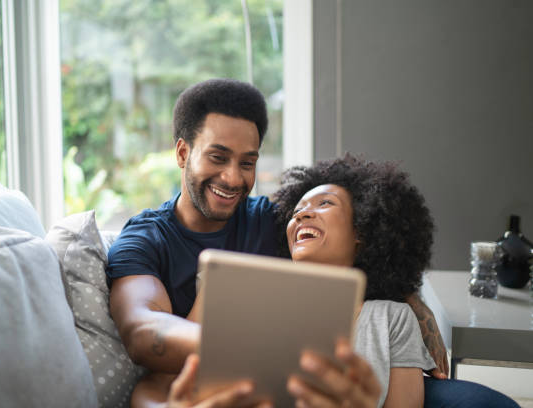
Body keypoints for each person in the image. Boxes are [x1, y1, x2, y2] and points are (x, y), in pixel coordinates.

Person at [106, 78, 447, 406]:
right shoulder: (144, 239)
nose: (233, 177)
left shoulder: (274, 220)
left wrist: (416, 313)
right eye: (218, 157)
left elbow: (356, 245)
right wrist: (255, 349)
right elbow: (144, 332)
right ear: (182, 153)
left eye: (247, 163)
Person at [272, 154, 519, 407]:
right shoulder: (271, 311)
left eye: (325, 203)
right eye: (297, 210)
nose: (302, 215)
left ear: (362, 230)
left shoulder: (393, 318)